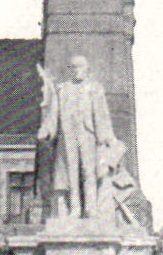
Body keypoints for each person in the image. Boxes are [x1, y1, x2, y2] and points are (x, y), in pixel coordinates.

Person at [37, 55, 118, 219]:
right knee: (70, 173)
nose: (76, 70)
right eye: (73, 67)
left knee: (89, 171)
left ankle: (91, 208)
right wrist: (47, 129)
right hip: (67, 134)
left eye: (80, 66)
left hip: (87, 133)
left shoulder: (94, 88)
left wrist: (107, 136)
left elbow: (101, 113)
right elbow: (54, 112)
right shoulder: (62, 89)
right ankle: (74, 208)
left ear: (87, 69)